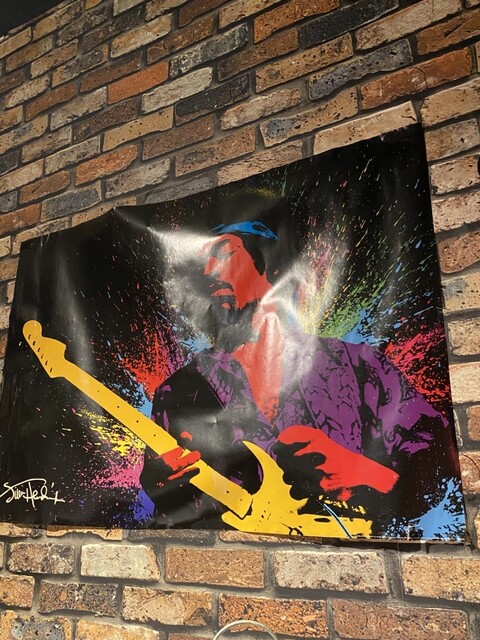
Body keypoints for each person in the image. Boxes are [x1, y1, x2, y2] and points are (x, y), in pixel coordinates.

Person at [140, 194, 460, 536]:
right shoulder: (179, 390)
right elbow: (175, 514)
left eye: (224, 254)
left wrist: (364, 472)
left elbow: (444, 470)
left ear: (273, 264)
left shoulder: (359, 367)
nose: (208, 272)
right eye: (202, 262)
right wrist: (160, 485)